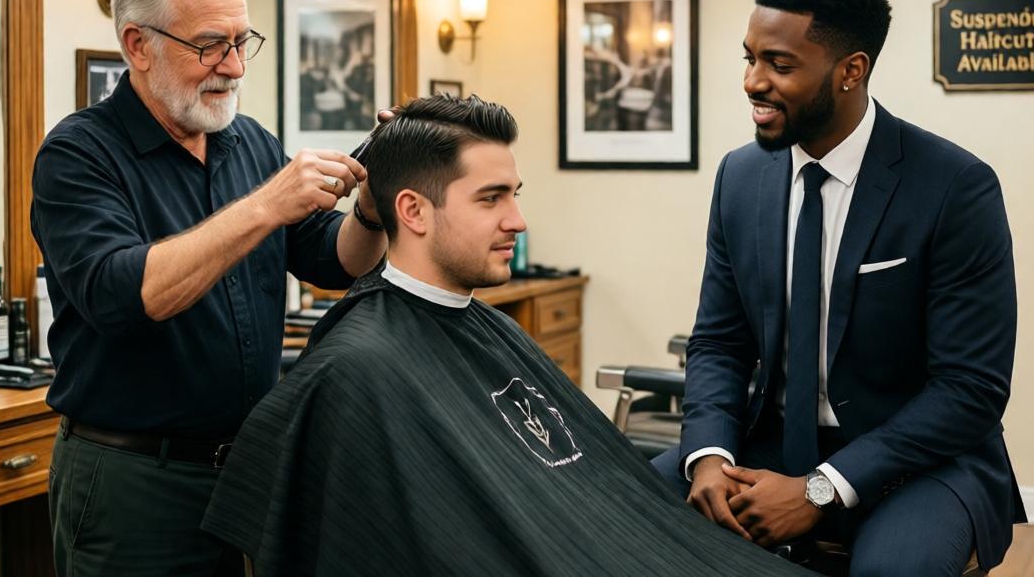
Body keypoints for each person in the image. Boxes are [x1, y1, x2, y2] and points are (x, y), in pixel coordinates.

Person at [201, 95, 813, 577]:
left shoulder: (483, 325)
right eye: (491, 199)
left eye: (513, 196)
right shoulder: (357, 367)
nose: (517, 220)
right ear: (412, 211)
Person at [652, 0, 1026, 576]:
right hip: (765, 438)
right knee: (615, 520)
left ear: (851, 70)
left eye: (779, 64)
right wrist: (710, 454)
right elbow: (719, 341)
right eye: (749, 58)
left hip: (919, 460)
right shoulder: (739, 178)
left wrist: (820, 488)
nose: (752, 81)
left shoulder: (955, 186)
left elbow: (970, 390)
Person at [31, 0, 387, 576]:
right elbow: (123, 296)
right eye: (209, 46)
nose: (234, 67)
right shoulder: (79, 154)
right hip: (135, 479)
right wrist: (265, 206)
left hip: (246, 468)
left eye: (242, 42)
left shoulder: (246, 141)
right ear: (138, 46)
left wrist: (373, 206)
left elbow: (335, 261)